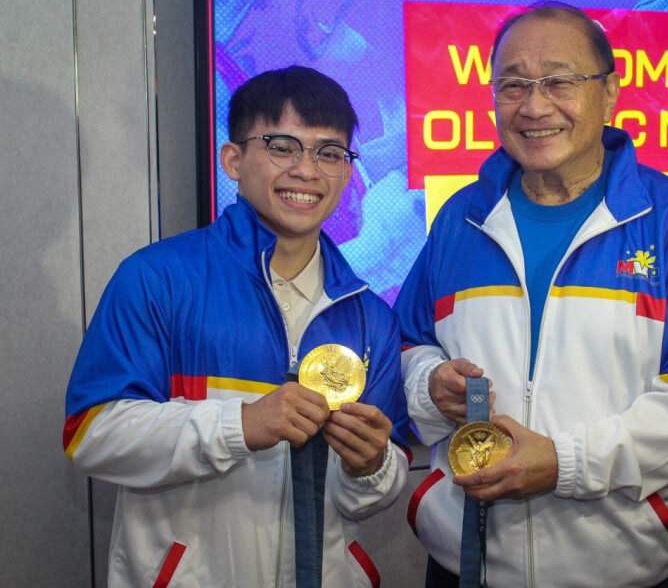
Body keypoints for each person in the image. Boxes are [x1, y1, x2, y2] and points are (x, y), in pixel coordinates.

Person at [394, 1, 668, 588]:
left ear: (608, 95)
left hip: (625, 568)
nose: (534, 107)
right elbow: (406, 344)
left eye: (559, 82)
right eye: (513, 86)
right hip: (466, 564)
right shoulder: (462, 219)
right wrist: (429, 385)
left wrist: (566, 463)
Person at [63, 65, 409, 587]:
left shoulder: (371, 316)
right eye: (282, 146)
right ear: (233, 160)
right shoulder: (158, 279)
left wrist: (372, 468)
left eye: (329, 153)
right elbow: (90, 435)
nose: (307, 170)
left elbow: (366, 496)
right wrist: (238, 426)